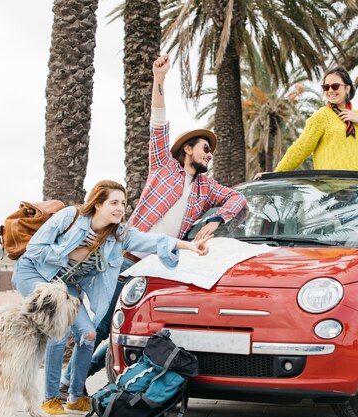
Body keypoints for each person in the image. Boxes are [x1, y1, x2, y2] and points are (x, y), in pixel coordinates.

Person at [58, 55, 246, 400]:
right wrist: (159, 79)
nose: (209, 156)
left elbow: (238, 200)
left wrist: (216, 219)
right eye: (205, 149)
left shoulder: (206, 189)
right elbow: (157, 124)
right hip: (124, 259)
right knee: (102, 325)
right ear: (188, 149)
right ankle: (70, 383)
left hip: (158, 267)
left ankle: (79, 378)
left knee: (132, 328)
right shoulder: (162, 167)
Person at [11, 180, 211, 414]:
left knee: (88, 334)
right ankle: (51, 398)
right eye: (114, 202)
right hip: (36, 272)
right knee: (59, 329)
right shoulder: (70, 217)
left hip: (68, 285)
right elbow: (35, 248)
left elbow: (152, 241)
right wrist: (70, 253)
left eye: (123, 203)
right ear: (97, 204)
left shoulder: (118, 234)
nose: (120, 208)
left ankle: (75, 396)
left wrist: (190, 246)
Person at [254, 66, 358, 179]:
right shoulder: (322, 116)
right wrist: (276, 174)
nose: (330, 91)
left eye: (335, 86)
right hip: (334, 190)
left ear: (347, 89)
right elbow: (301, 148)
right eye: (326, 87)